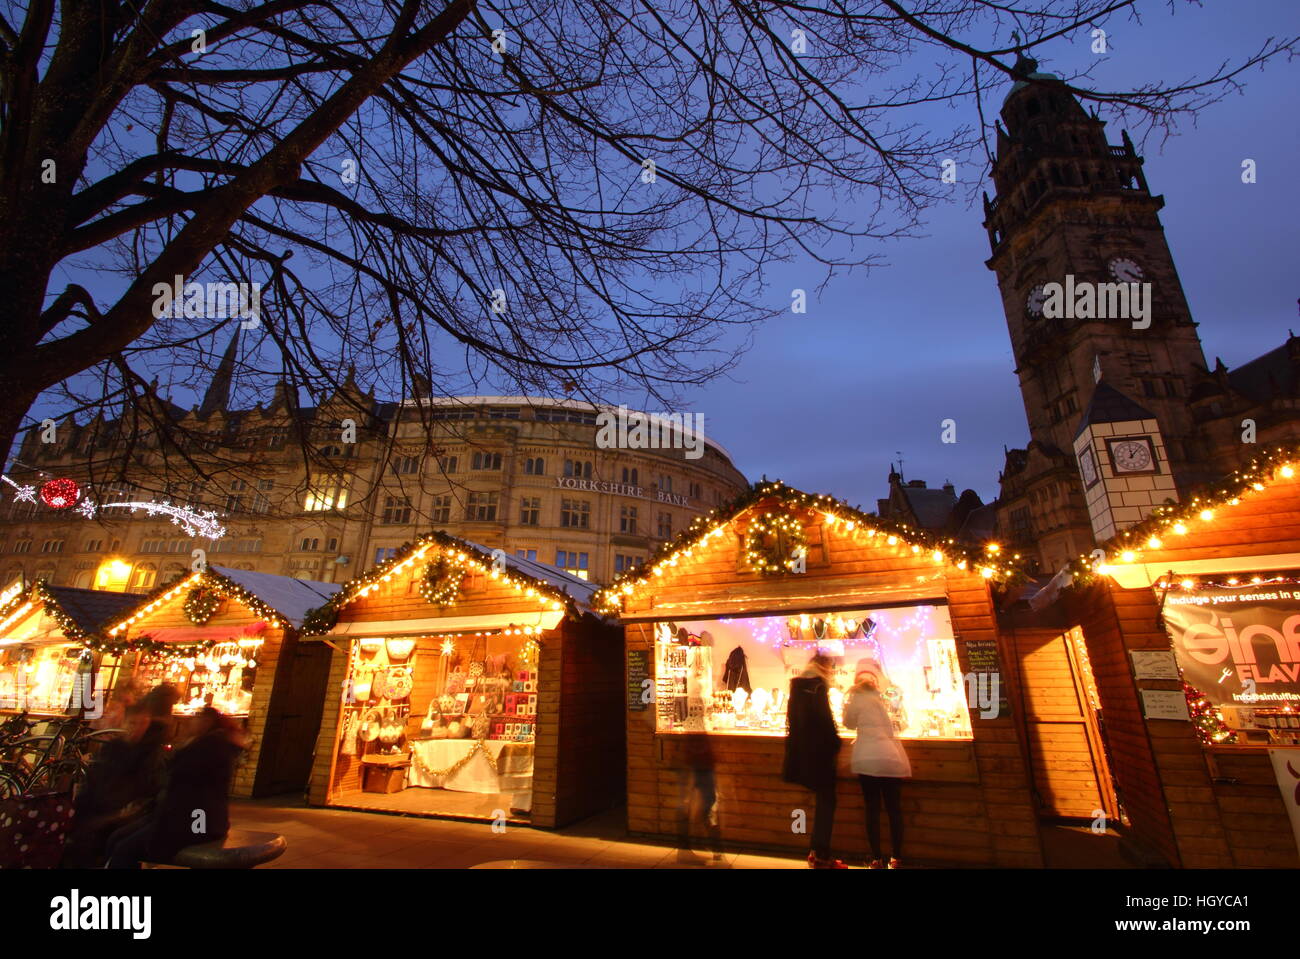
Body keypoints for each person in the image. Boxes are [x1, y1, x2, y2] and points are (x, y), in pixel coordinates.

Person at [105, 707, 245, 869]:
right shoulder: (207, 745)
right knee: (117, 838)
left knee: (125, 848)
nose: (192, 720)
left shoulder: (208, 747)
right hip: (192, 819)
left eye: (198, 717)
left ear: (207, 722)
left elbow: (184, 788)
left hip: (195, 822)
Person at [61, 703, 168, 867]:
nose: (137, 729)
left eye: (142, 724)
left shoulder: (151, 754)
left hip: (123, 814)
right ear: (124, 723)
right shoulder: (113, 749)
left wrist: (127, 812)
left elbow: (152, 789)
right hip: (102, 810)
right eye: (133, 723)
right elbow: (93, 783)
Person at [842, 661, 911, 869]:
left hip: (867, 759)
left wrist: (849, 707)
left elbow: (848, 723)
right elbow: (898, 725)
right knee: (894, 809)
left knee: (872, 809)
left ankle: (876, 858)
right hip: (890, 757)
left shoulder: (856, 699)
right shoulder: (885, 699)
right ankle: (897, 857)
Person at [782, 652, 845, 868]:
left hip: (803, 755)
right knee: (827, 802)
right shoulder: (818, 686)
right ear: (825, 667)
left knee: (822, 801)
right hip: (820, 755)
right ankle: (821, 855)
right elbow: (824, 720)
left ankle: (815, 852)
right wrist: (837, 743)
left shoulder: (797, 686)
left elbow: (792, 720)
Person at [674, 732, 724, 865]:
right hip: (699, 763)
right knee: (704, 808)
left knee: (693, 807)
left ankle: (690, 849)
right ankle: (714, 849)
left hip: (696, 762)